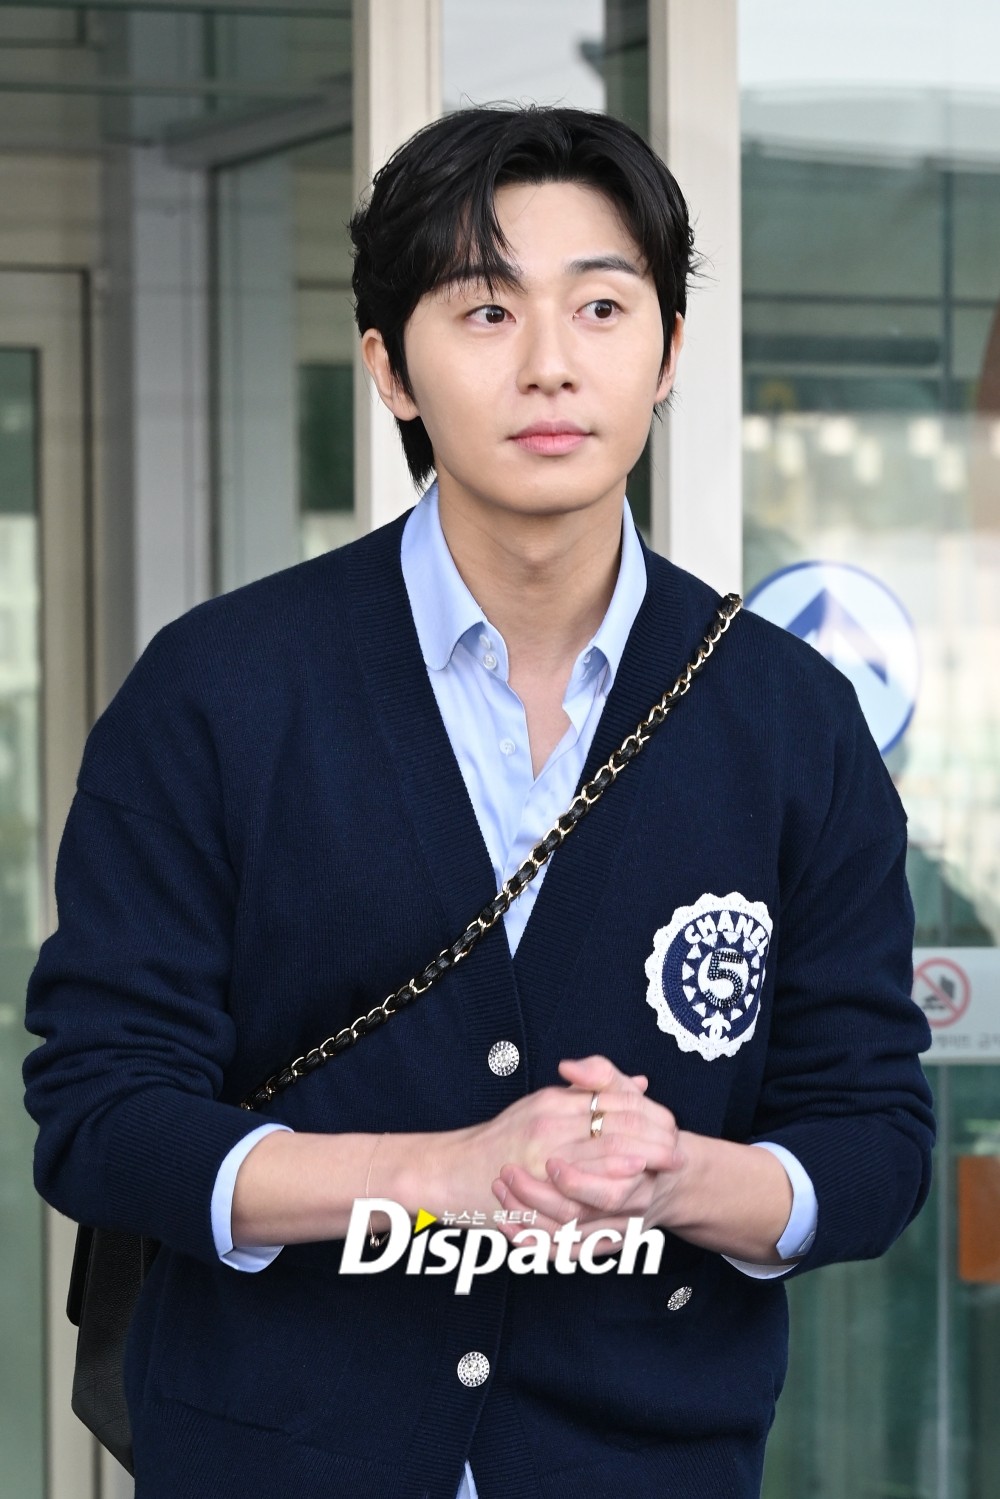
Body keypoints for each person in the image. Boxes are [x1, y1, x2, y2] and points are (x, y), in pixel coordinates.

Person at [23, 105, 934, 1498]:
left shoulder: (789, 719)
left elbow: (871, 1141)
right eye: (488, 311)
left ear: (668, 355)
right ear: (390, 369)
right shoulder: (220, 689)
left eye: (603, 307)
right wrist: (448, 1176)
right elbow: (104, 1115)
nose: (551, 363)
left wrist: (674, 1176)